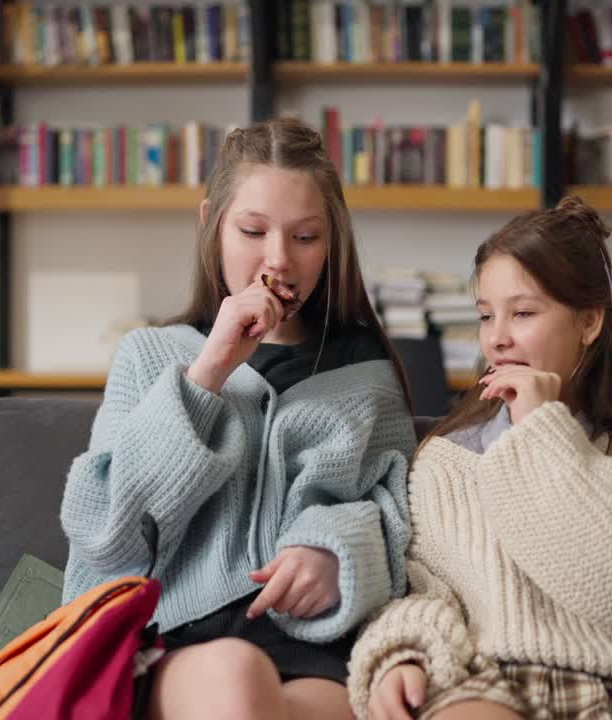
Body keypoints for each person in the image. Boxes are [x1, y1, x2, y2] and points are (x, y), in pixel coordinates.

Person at [60, 118, 417, 720]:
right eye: (253, 230)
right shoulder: (151, 357)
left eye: (306, 237)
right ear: (211, 225)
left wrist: (337, 553)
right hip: (168, 637)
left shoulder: (368, 373)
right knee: (236, 676)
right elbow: (105, 530)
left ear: (332, 244)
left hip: (312, 645)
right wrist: (208, 373)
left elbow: (400, 524)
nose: (278, 260)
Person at [349, 196, 612, 720]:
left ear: (589, 322)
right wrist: (401, 655)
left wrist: (542, 428)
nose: (497, 339)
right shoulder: (444, 463)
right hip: (487, 680)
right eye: (485, 316)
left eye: (522, 313)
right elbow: (424, 589)